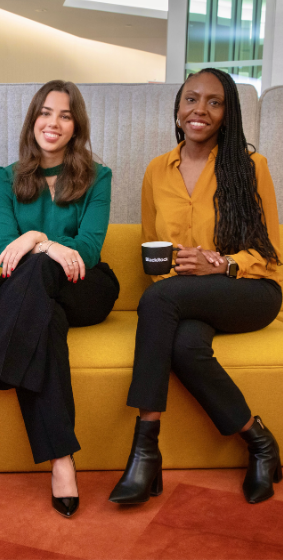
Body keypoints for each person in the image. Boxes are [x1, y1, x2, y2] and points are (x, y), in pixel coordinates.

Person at [0, 80, 120, 518]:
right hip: (34, 294)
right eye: (45, 112)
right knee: (45, 320)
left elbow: (86, 250)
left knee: (38, 268)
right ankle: (62, 461)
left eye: (65, 115)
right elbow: (3, 252)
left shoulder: (98, 176)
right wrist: (44, 239)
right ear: (32, 119)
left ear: (76, 126)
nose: (53, 123)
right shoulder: (6, 178)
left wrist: (35, 242)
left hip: (87, 286)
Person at [109, 68, 282, 506]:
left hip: (251, 292)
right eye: (191, 99)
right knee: (184, 345)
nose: (199, 110)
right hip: (185, 299)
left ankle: (145, 450)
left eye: (214, 101)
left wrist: (221, 266)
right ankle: (260, 443)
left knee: (161, 297)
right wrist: (179, 276)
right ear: (178, 107)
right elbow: (155, 253)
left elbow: (271, 254)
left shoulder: (250, 167)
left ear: (228, 113)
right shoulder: (156, 171)